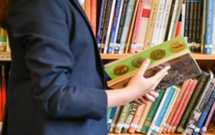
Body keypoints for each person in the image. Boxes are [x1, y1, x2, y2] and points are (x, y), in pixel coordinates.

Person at [3, 0, 170, 135]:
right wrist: (128, 94)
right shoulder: (42, 5)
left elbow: (78, 71)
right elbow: (54, 96)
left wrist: (124, 84)